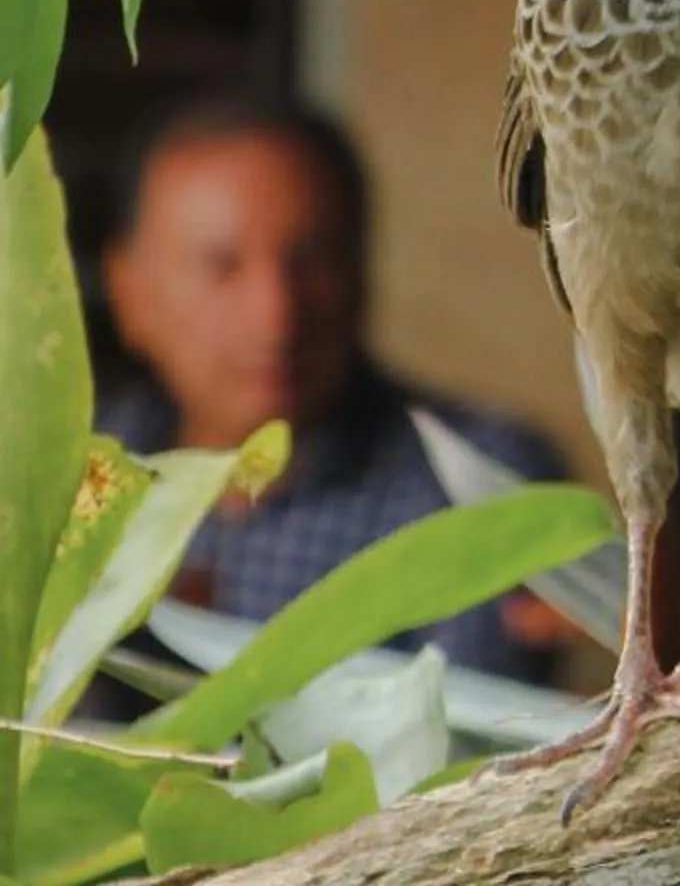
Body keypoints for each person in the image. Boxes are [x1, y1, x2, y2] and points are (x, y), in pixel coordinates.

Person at [95, 93, 572, 685]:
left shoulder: (474, 481)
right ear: (128, 293)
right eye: (223, 267)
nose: (277, 316)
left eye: (312, 260)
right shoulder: (71, 481)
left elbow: (468, 749)